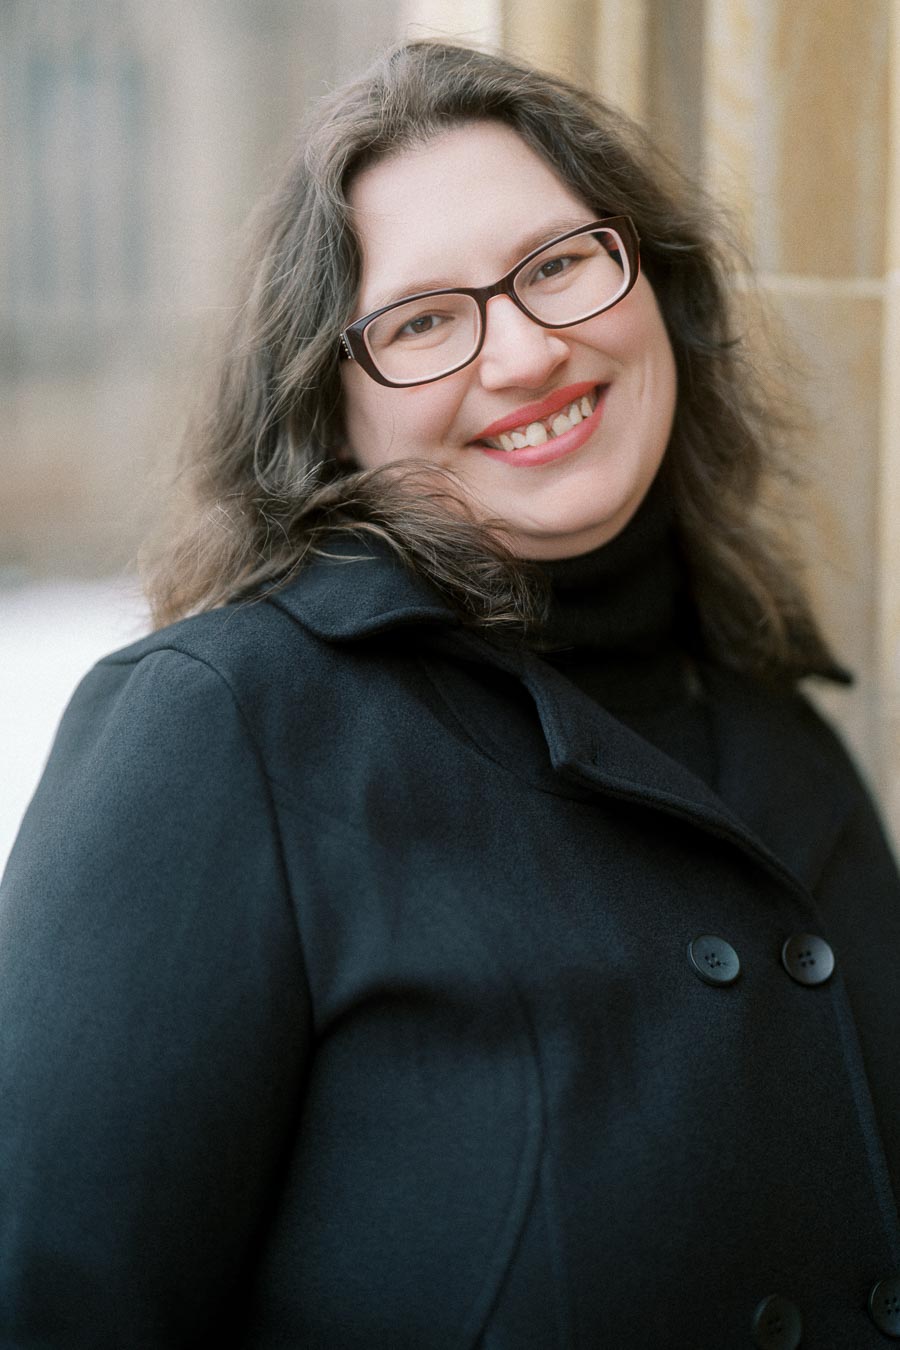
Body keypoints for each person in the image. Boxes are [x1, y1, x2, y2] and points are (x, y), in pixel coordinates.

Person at [2, 39, 899, 1350]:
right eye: (424, 320)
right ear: (332, 411)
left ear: (656, 283)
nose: (528, 350)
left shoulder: (787, 733)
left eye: (558, 264)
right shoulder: (221, 727)